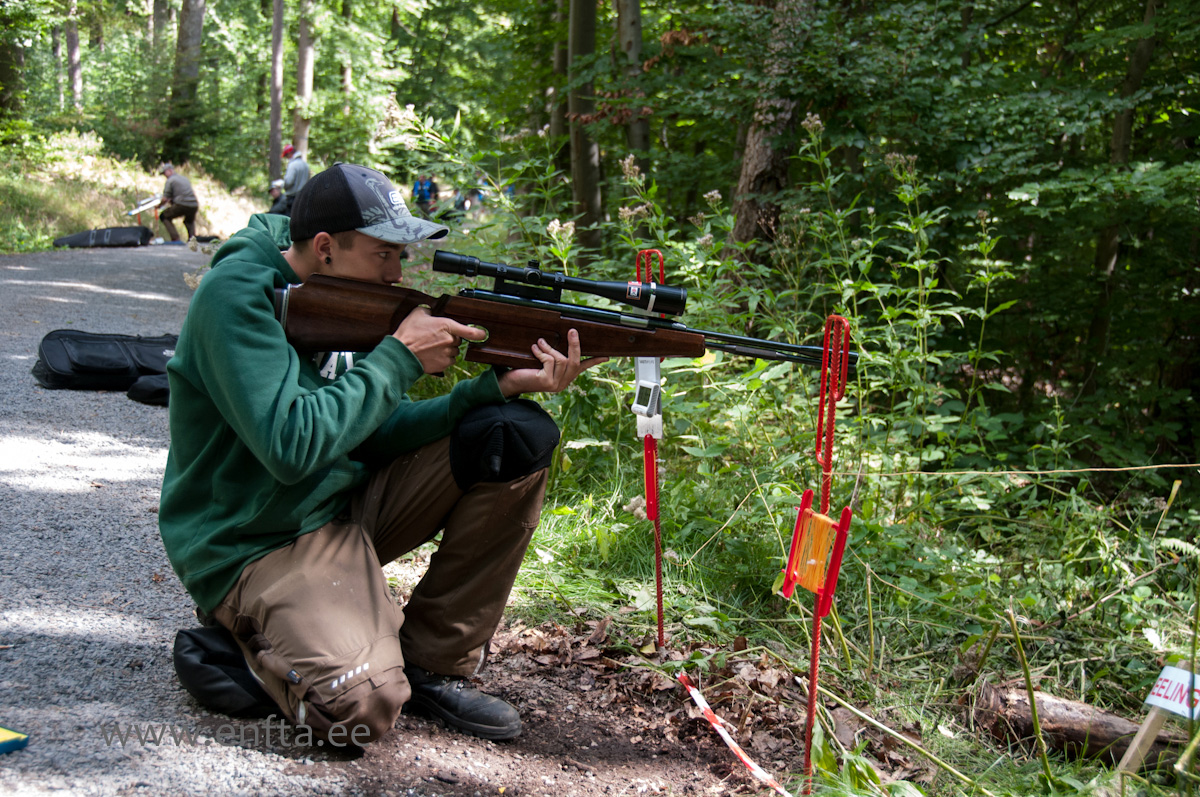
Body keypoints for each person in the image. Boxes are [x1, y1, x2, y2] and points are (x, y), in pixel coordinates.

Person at [158, 162, 605, 746]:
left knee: (510, 432)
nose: (399, 273)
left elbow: (369, 429)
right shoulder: (237, 295)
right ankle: (237, 646)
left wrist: (495, 388)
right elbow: (292, 448)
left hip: (336, 506)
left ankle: (431, 662)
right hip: (253, 539)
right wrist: (397, 358)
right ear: (324, 248)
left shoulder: (336, 297)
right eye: (384, 255)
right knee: (359, 709)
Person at [156, 162, 200, 242]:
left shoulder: (170, 180)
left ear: (170, 171)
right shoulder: (184, 178)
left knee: (164, 216)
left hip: (182, 204)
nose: (164, 176)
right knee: (189, 221)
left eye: (164, 173)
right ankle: (192, 239)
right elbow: (183, 193)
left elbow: (165, 199)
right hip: (194, 204)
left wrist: (159, 206)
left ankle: (175, 238)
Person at [282, 144, 310, 214]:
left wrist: (282, 185)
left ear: (290, 154)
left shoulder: (293, 165)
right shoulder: (305, 165)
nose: (287, 158)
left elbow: (288, 182)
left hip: (292, 198)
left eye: (286, 156)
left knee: (289, 219)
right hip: (304, 197)